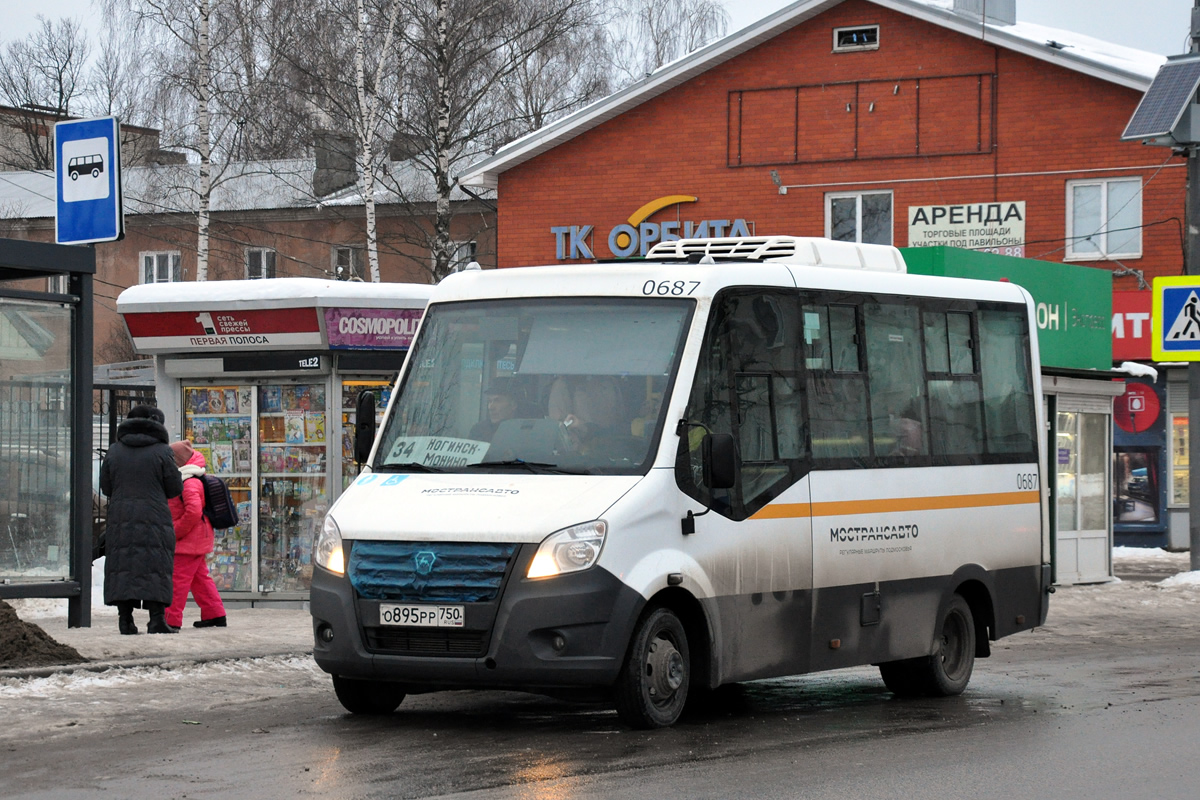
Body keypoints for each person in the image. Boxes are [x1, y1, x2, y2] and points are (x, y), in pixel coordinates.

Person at [99, 404, 183, 635]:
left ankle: (125, 620)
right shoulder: (162, 451)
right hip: (155, 517)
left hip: (121, 517)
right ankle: (156, 620)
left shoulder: (114, 451)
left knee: (122, 565)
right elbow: (174, 488)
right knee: (156, 565)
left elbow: (106, 487)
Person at [165, 440, 227, 631]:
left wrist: (176, 531)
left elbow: (193, 512)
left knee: (178, 580)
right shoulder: (191, 477)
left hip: (188, 540)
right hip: (196, 538)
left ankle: (171, 620)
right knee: (200, 579)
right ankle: (215, 614)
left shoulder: (189, 481)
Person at [548, 375, 624, 451]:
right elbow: (560, 429)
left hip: (614, 452)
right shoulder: (563, 385)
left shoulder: (611, 381)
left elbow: (619, 421)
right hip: (579, 457)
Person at [469, 378, 536, 441]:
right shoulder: (479, 431)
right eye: (489, 401)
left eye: (497, 401)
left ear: (514, 404)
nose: (490, 407)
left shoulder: (529, 433)